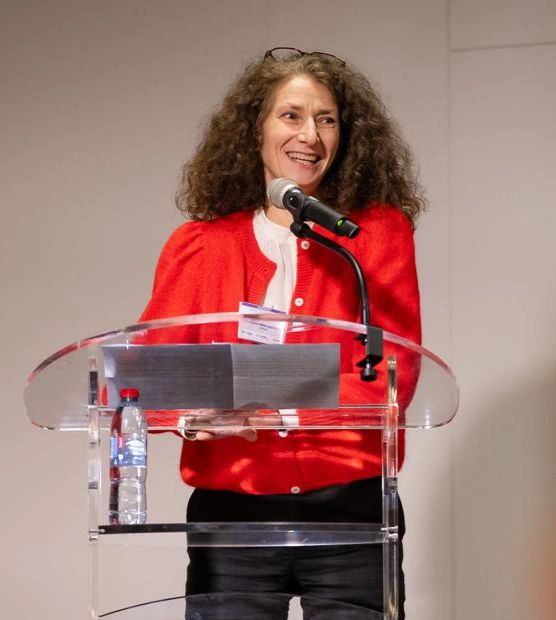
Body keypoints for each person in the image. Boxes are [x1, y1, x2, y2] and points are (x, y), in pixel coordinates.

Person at [139, 47, 425, 619]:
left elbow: (394, 371)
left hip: (351, 508)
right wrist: (195, 415)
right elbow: (153, 376)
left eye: (326, 120)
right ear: (255, 131)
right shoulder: (200, 244)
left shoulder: (373, 236)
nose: (310, 136)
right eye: (291, 116)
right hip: (232, 512)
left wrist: (271, 404)